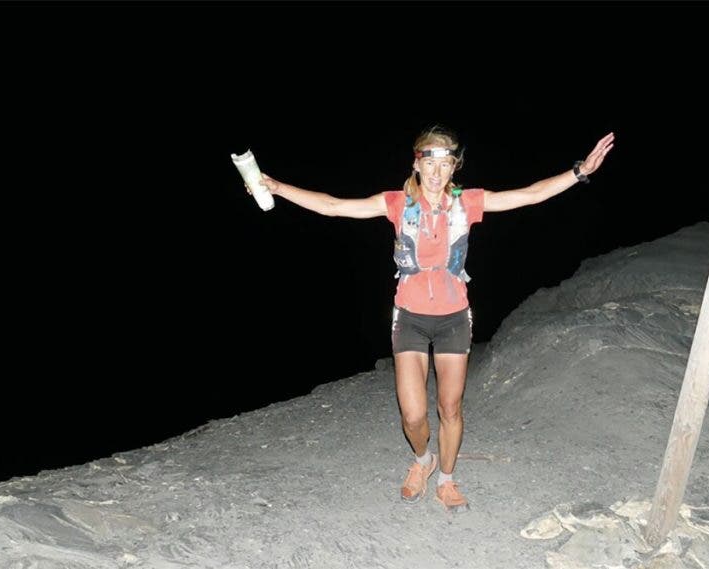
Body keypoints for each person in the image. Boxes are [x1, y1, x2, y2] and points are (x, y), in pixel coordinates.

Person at [253, 126, 615, 512]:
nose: (437, 173)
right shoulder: (397, 203)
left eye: (446, 164)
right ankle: (422, 459)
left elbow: (528, 194)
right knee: (413, 416)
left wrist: (579, 172)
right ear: (417, 163)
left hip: (453, 318)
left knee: (450, 408)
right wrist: (277, 187)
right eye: (430, 163)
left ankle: (446, 478)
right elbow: (333, 206)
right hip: (409, 317)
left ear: (454, 167)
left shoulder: (467, 203)